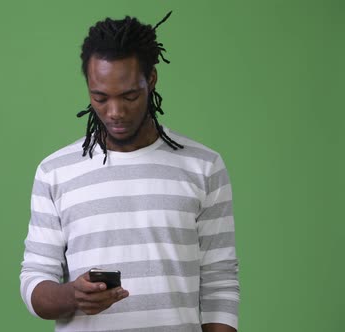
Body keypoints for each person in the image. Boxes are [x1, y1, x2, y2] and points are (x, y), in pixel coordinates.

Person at [20, 12, 239, 332]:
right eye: (100, 97)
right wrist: (73, 296)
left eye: (129, 96)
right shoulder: (55, 172)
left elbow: (220, 281)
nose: (115, 112)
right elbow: (34, 281)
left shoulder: (203, 166)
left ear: (150, 80)